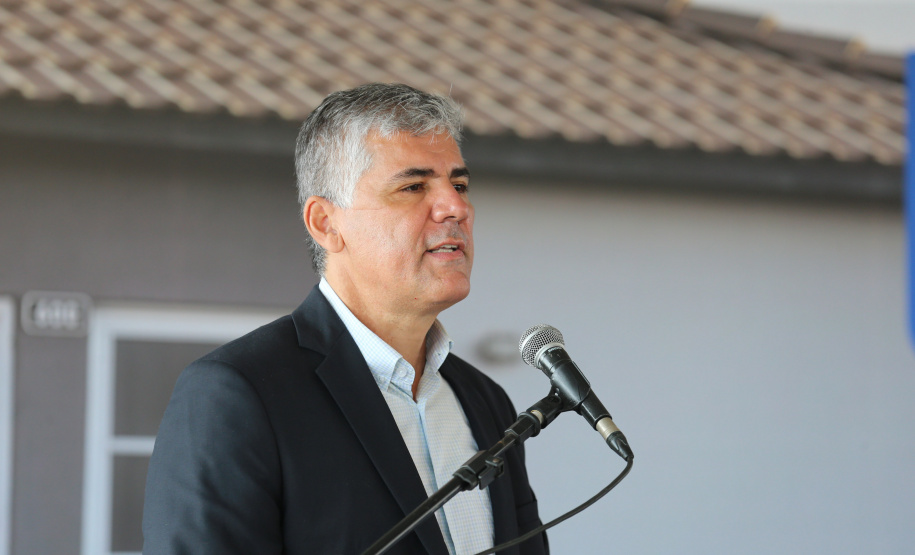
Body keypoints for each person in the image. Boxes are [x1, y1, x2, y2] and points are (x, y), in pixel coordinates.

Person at [142, 83, 549, 555]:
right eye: (413, 187)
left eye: (459, 185)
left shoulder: (487, 402)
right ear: (325, 224)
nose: (455, 207)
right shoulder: (236, 395)